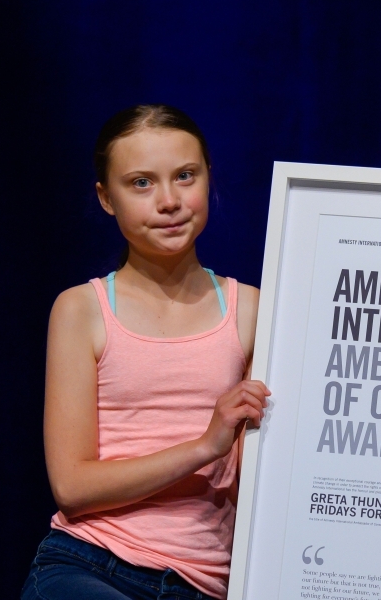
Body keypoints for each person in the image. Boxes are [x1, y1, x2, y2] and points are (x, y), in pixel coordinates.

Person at [21, 105, 270, 600]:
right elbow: (72, 485)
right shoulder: (82, 309)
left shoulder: (251, 309)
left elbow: (257, 481)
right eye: (141, 183)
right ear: (105, 198)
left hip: (204, 585)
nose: (169, 201)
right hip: (90, 563)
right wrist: (204, 446)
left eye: (184, 176)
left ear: (208, 179)